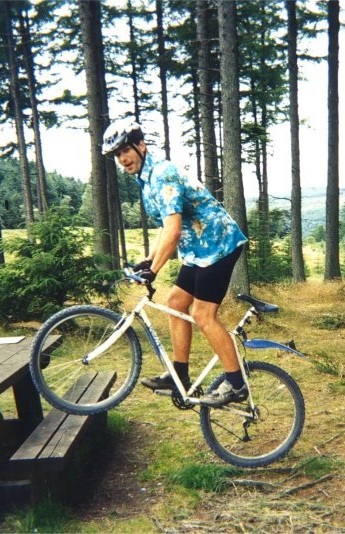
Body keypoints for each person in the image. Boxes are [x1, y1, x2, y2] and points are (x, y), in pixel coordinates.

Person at [101, 119, 249, 408]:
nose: (122, 159)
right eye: (117, 155)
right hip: (198, 250)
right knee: (176, 302)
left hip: (218, 245)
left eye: (125, 151)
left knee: (203, 315)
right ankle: (178, 374)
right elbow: (165, 226)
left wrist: (154, 270)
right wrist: (148, 259)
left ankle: (236, 384)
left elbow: (174, 231)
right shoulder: (146, 178)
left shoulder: (163, 174)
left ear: (141, 145)